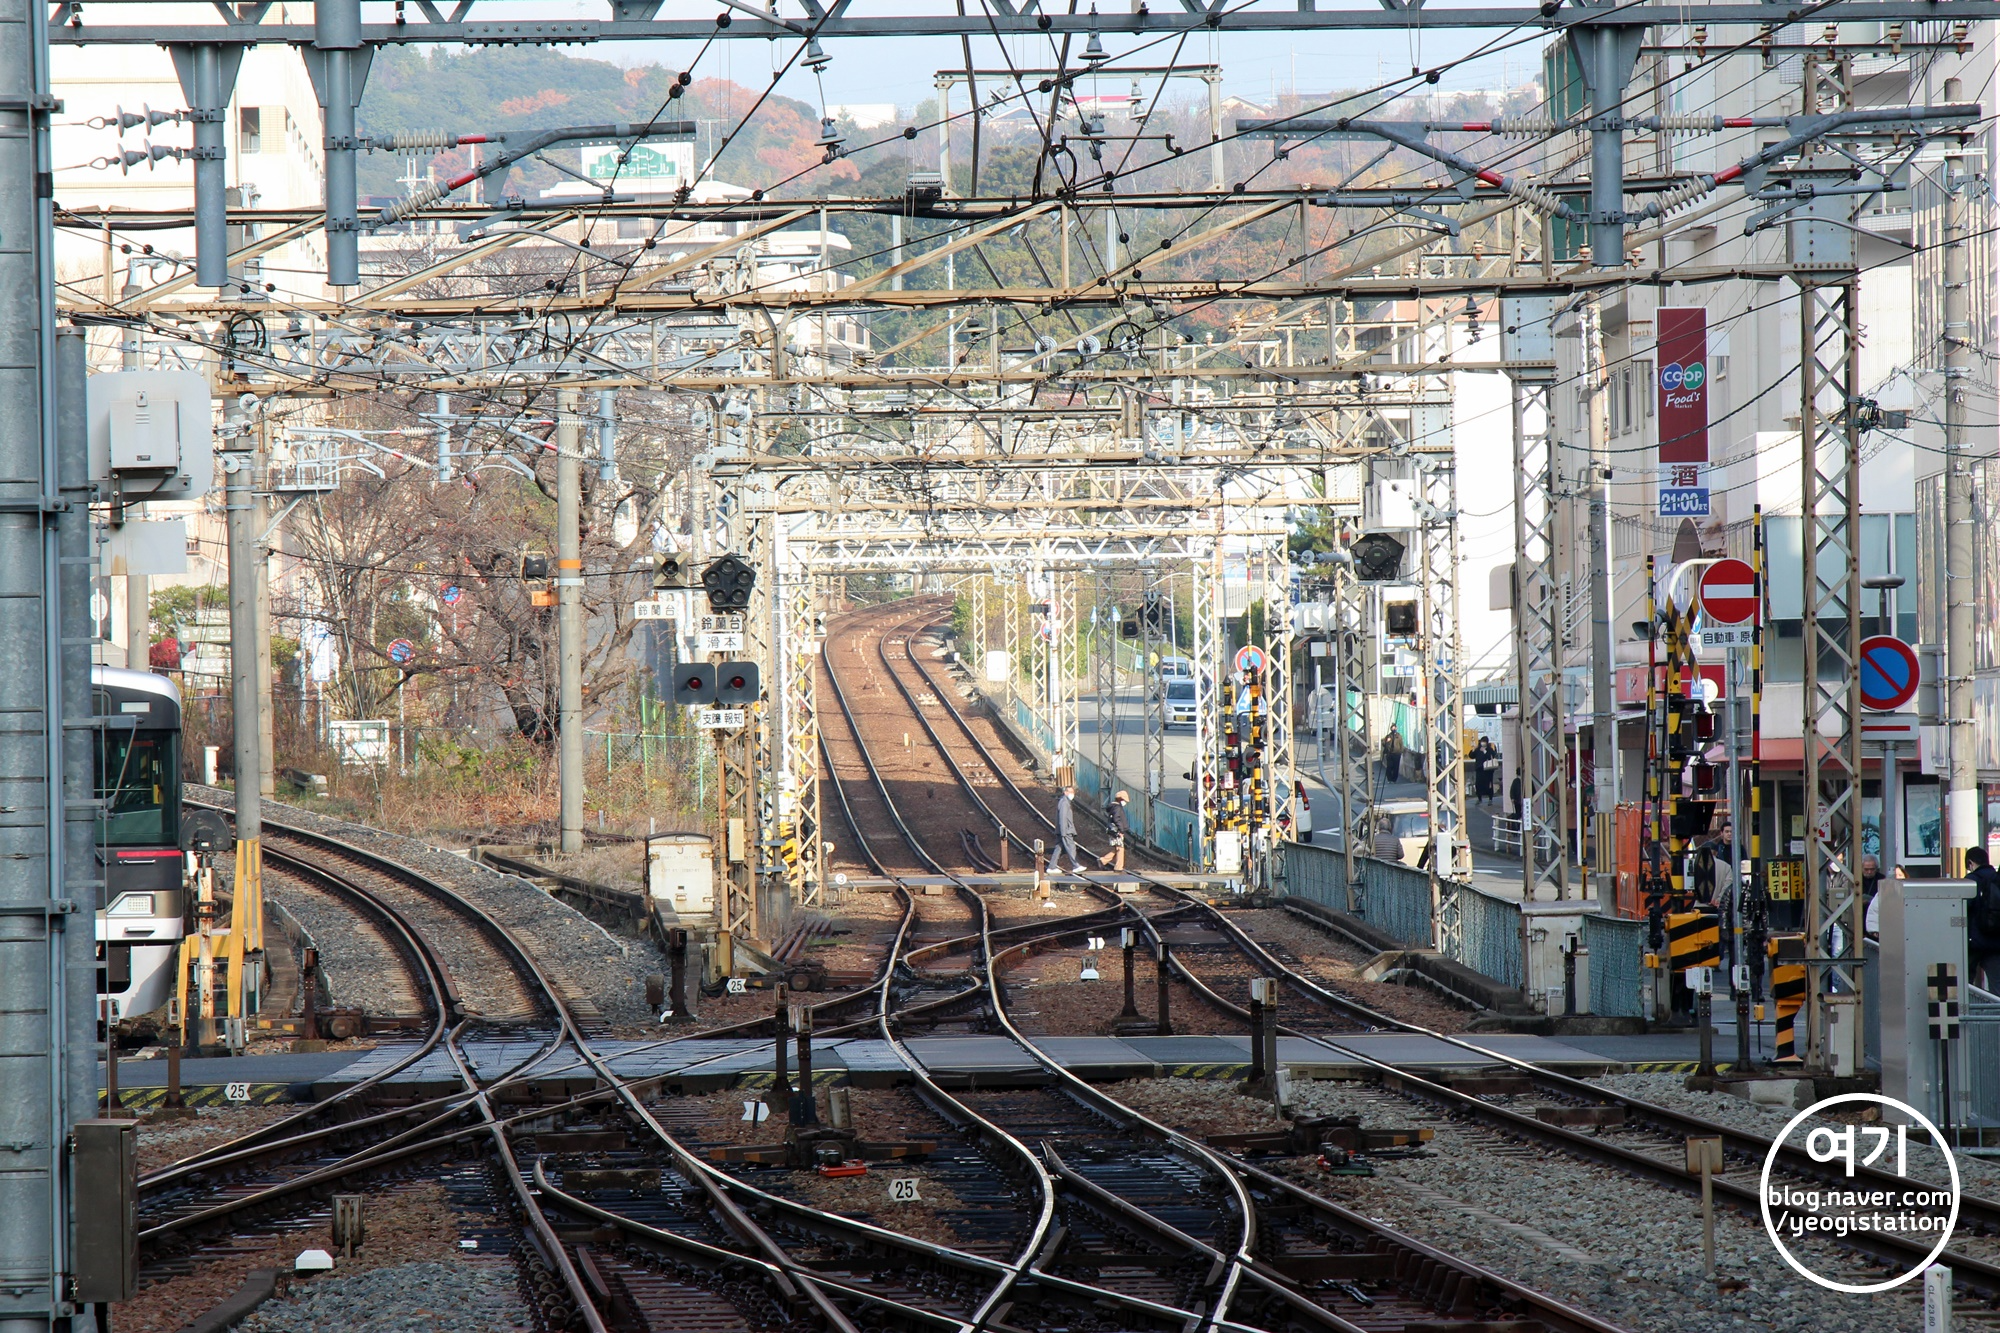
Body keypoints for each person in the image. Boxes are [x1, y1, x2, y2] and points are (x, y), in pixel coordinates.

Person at [1966, 847, 2000, 990]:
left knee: (1965, 982)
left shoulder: (1971, 880)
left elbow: (1964, 907)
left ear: (1970, 863)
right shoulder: (1997, 878)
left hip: (1974, 942)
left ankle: (1969, 1005)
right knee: (1997, 984)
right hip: (1995, 941)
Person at [1054, 784, 1087, 875]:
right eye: (1070, 792)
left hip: (1064, 830)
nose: (1072, 794)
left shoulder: (1064, 802)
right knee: (1071, 847)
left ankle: (1052, 867)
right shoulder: (1064, 803)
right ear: (1065, 792)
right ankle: (1076, 865)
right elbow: (1063, 817)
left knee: (1058, 848)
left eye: (1073, 792)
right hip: (1066, 830)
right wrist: (1064, 831)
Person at [1099, 790, 1131, 871]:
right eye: (1124, 800)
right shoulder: (1117, 808)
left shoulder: (1113, 807)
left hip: (1113, 830)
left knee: (1117, 848)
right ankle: (1118, 867)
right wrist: (1121, 830)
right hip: (1117, 831)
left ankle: (1103, 861)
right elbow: (1117, 819)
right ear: (1120, 799)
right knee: (1120, 848)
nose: (1125, 802)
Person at [1470, 737, 1499, 806]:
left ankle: (1490, 798)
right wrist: (1473, 750)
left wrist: (1485, 752)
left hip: (1488, 770)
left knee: (1489, 785)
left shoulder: (1489, 749)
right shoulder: (1478, 749)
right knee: (1478, 784)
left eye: (1484, 742)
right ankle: (1479, 798)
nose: (1482, 743)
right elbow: (1471, 756)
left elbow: (1491, 756)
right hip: (1479, 769)